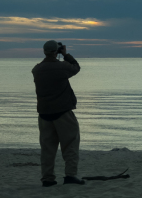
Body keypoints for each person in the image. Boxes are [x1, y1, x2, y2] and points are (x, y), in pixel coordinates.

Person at [32, 40, 85, 187]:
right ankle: (70, 175)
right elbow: (76, 67)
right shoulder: (61, 67)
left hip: (44, 114)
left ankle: (47, 179)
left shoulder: (36, 69)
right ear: (56, 51)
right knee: (71, 145)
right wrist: (66, 54)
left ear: (44, 51)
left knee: (47, 149)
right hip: (63, 113)